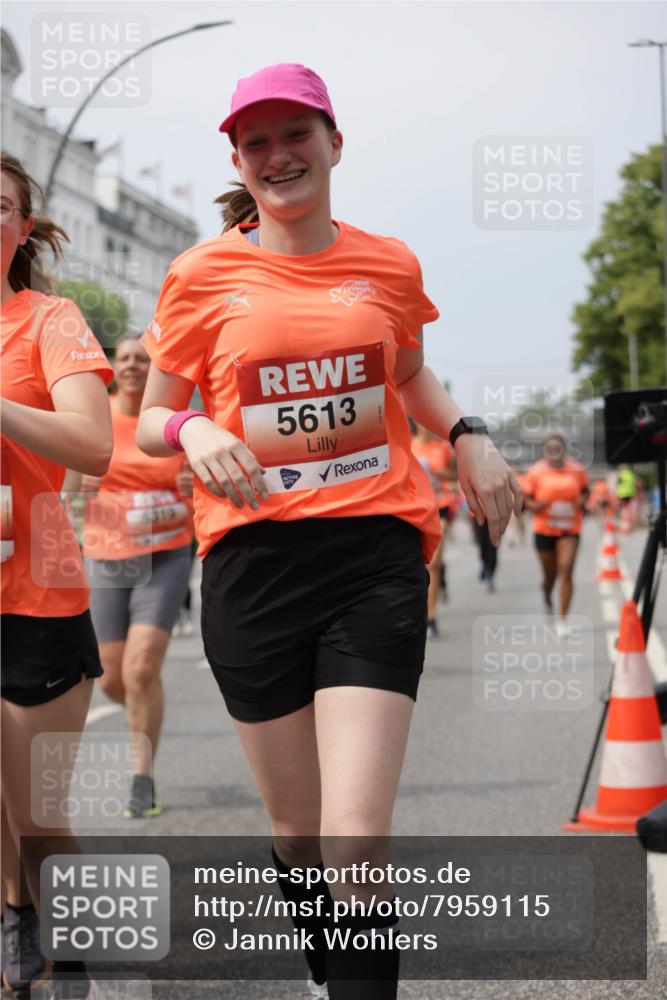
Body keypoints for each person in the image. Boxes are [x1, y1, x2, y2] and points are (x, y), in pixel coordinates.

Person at [135, 64, 521, 1000]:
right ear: (237, 159)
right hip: (252, 567)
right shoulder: (200, 275)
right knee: (299, 835)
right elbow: (152, 419)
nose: (278, 156)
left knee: (354, 838)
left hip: (373, 557)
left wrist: (468, 435)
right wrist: (198, 427)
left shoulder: (388, 263)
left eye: (295, 134)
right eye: (255, 142)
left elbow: (410, 375)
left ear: (334, 143)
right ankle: (327, 963)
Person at [0, 151, 113, 999]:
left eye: (0, 206)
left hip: (32, 597)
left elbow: (95, 446)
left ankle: (62, 941)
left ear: (23, 227)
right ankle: (16, 922)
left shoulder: (51, 320)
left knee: (34, 819)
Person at [79, 335, 194, 818]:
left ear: (154, 370)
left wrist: (193, 482)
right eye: (124, 357)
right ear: (111, 366)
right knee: (111, 675)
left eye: (142, 359)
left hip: (166, 552)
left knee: (142, 666)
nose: (132, 365)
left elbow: (204, 479)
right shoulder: (92, 417)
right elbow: (59, 476)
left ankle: (141, 778)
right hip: (108, 555)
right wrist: (76, 481)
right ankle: (142, 713)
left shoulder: (170, 420)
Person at [523, 434, 589, 630]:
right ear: (545, 451)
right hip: (544, 529)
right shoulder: (536, 472)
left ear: (564, 449)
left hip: (569, 528)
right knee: (549, 576)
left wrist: (582, 502)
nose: (553, 452)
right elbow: (526, 499)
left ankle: (563, 620)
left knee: (566, 570)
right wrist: (536, 505)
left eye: (557, 448)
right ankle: (546, 594)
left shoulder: (577, 470)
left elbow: (585, 491)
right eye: (549, 448)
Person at [410, 423, 456, 636]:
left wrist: (442, 473)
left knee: (434, 563)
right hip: (414, 507)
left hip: (440, 505)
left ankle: (431, 617)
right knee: (417, 562)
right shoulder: (407, 444)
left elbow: (455, 476)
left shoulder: (443, 448)